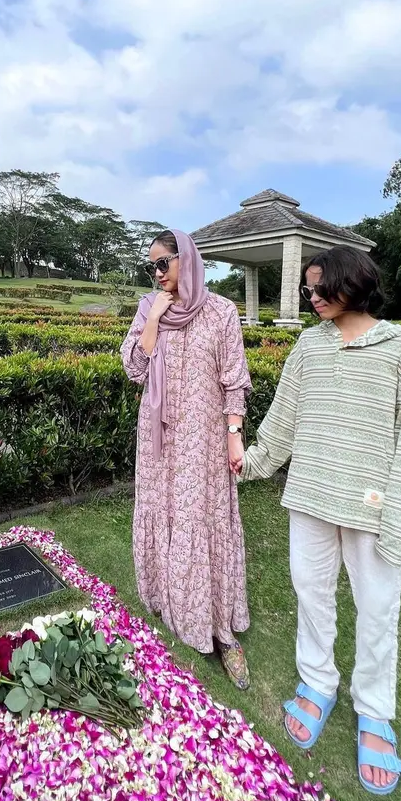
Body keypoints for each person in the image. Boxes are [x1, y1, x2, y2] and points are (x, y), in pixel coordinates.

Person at [235, 246, 401, 796]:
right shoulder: (309, 343)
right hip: (311, 497)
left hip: (373, 505)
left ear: (355, 284)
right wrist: (247, 462)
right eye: (308, 290)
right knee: (311, 593)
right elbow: (284, 420)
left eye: (321, 288)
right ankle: (317, 683)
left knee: (377, 609)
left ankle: (374, 712)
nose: (313, 298)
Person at [121, 229, 252, 689]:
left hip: (203, 439)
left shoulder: (221, 312)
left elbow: (234, 380)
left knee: (199, 517)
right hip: (158, 438)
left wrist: (234, 437)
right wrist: (155, 317)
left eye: (163, 263)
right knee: (165, 512)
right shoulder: (148, 308)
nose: (157, 273)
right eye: (151, 266)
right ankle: (168, 600)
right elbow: (136, 369)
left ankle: (217, 627)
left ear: (187, 259)